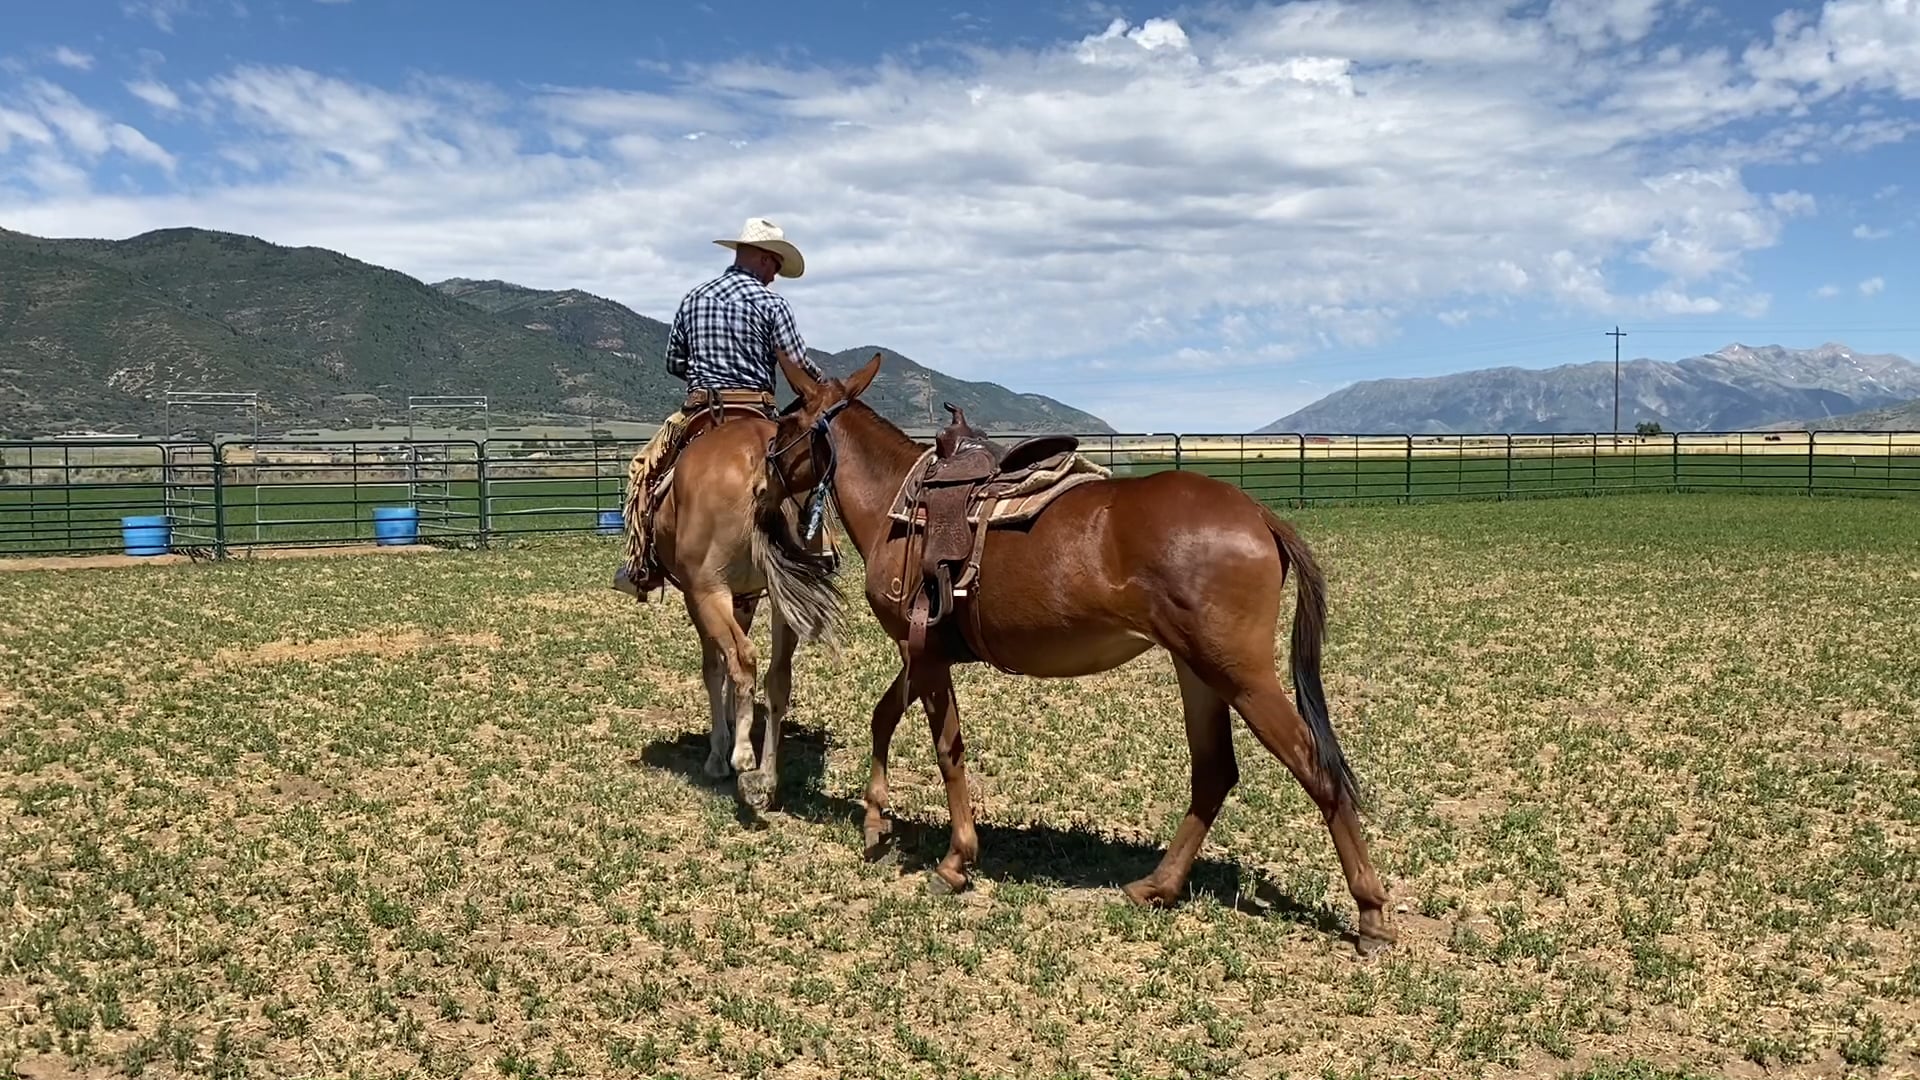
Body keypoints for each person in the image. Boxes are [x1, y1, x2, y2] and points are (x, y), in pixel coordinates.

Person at [613, 217, 833, 601]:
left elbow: (674, 362)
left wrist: (707, 375)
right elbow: (796, 363)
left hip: (702, 412)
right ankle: (822, 548)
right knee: (808, 472)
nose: (776, 277)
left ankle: (642, 565)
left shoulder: (694, 297)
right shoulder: (771, 303)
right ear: (764, 259)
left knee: (644, 474)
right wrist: (827, 385)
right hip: (758, 412)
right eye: (776, 266)